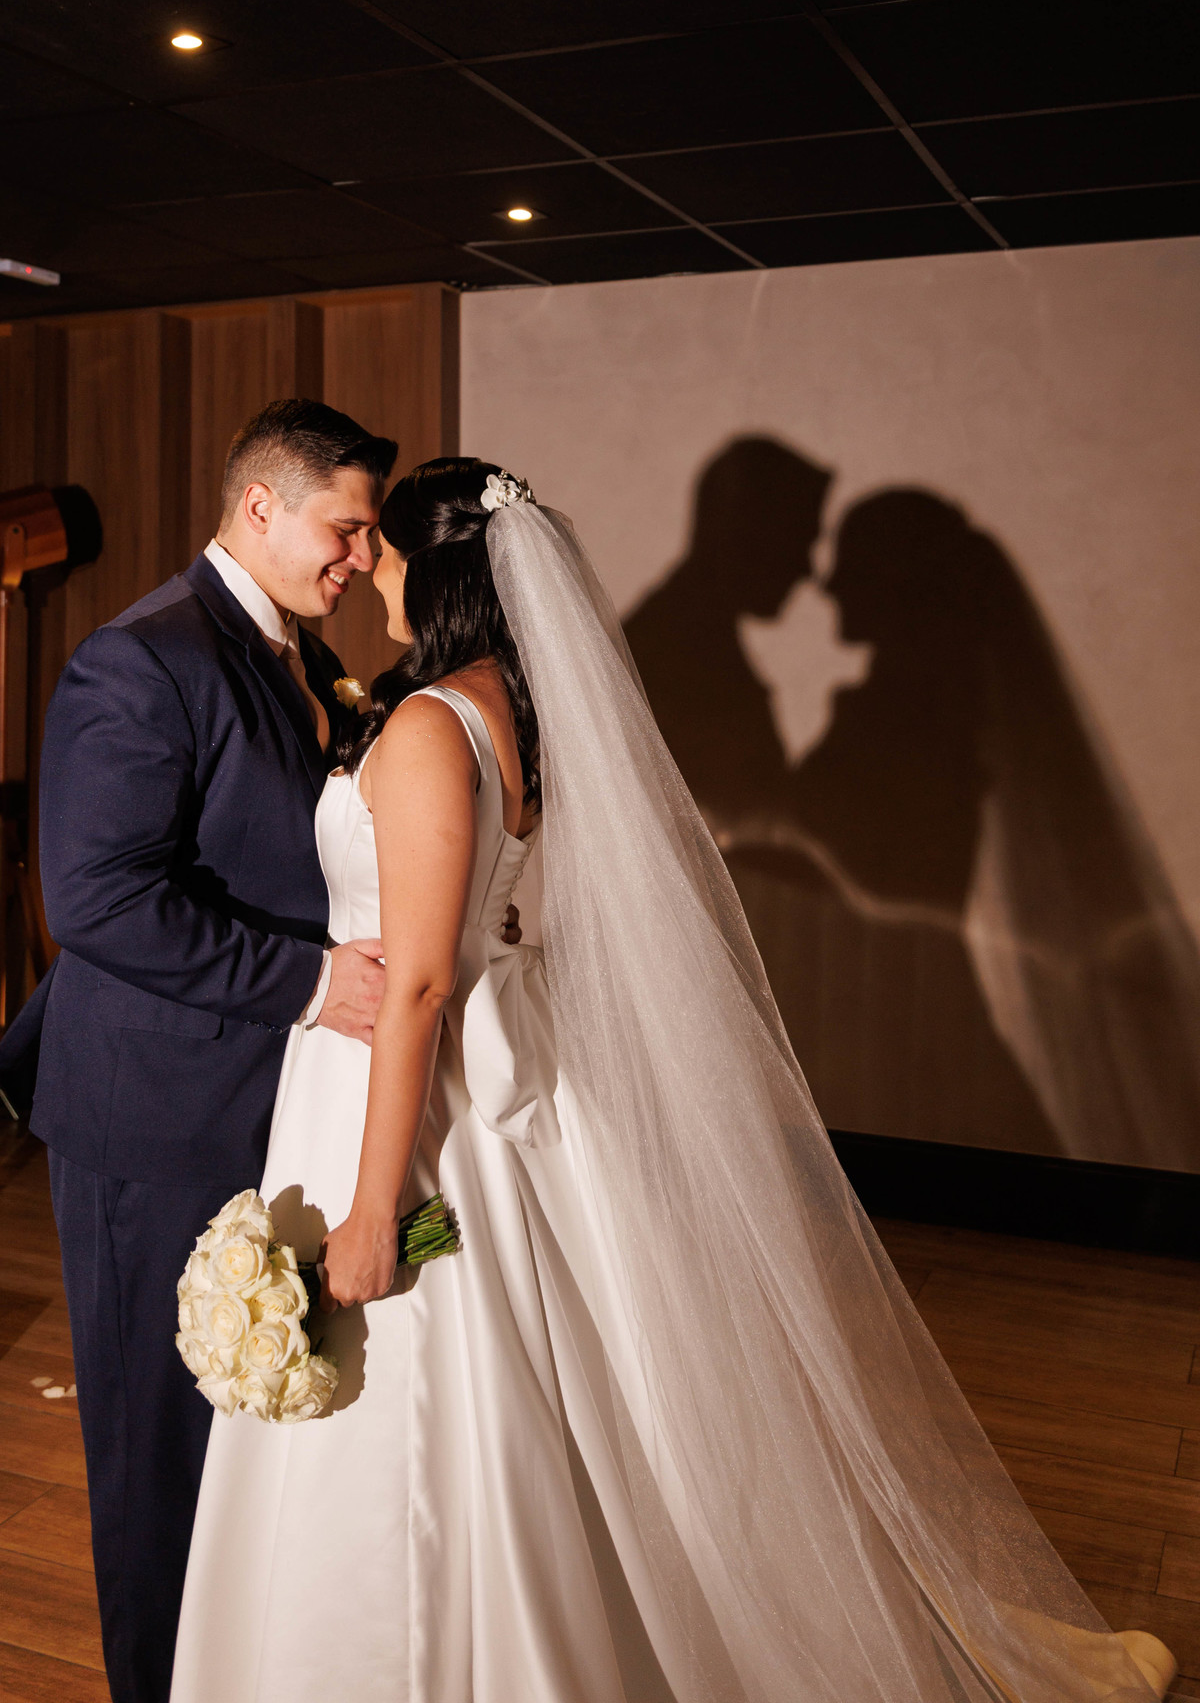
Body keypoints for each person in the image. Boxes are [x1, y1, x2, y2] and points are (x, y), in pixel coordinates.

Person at [173, 459, 1174, 1703]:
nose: (367, 560)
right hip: (477, 1095)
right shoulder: (516, 717)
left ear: (439, 570)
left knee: (431, 1385)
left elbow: (422, 985)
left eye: (387, 544)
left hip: (410, 1102)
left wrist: (377, 1210)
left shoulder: (433, 724)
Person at [30, 400, 398, 1703]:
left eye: (368, 533)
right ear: (259, 506)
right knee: (156, 1457)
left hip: (260, 1099)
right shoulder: (143, 658)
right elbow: (94, 901)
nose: (361, 554)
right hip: (151, 1116)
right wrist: (315, 982)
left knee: (237, 1433)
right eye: (344, 527)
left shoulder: (303, 656)